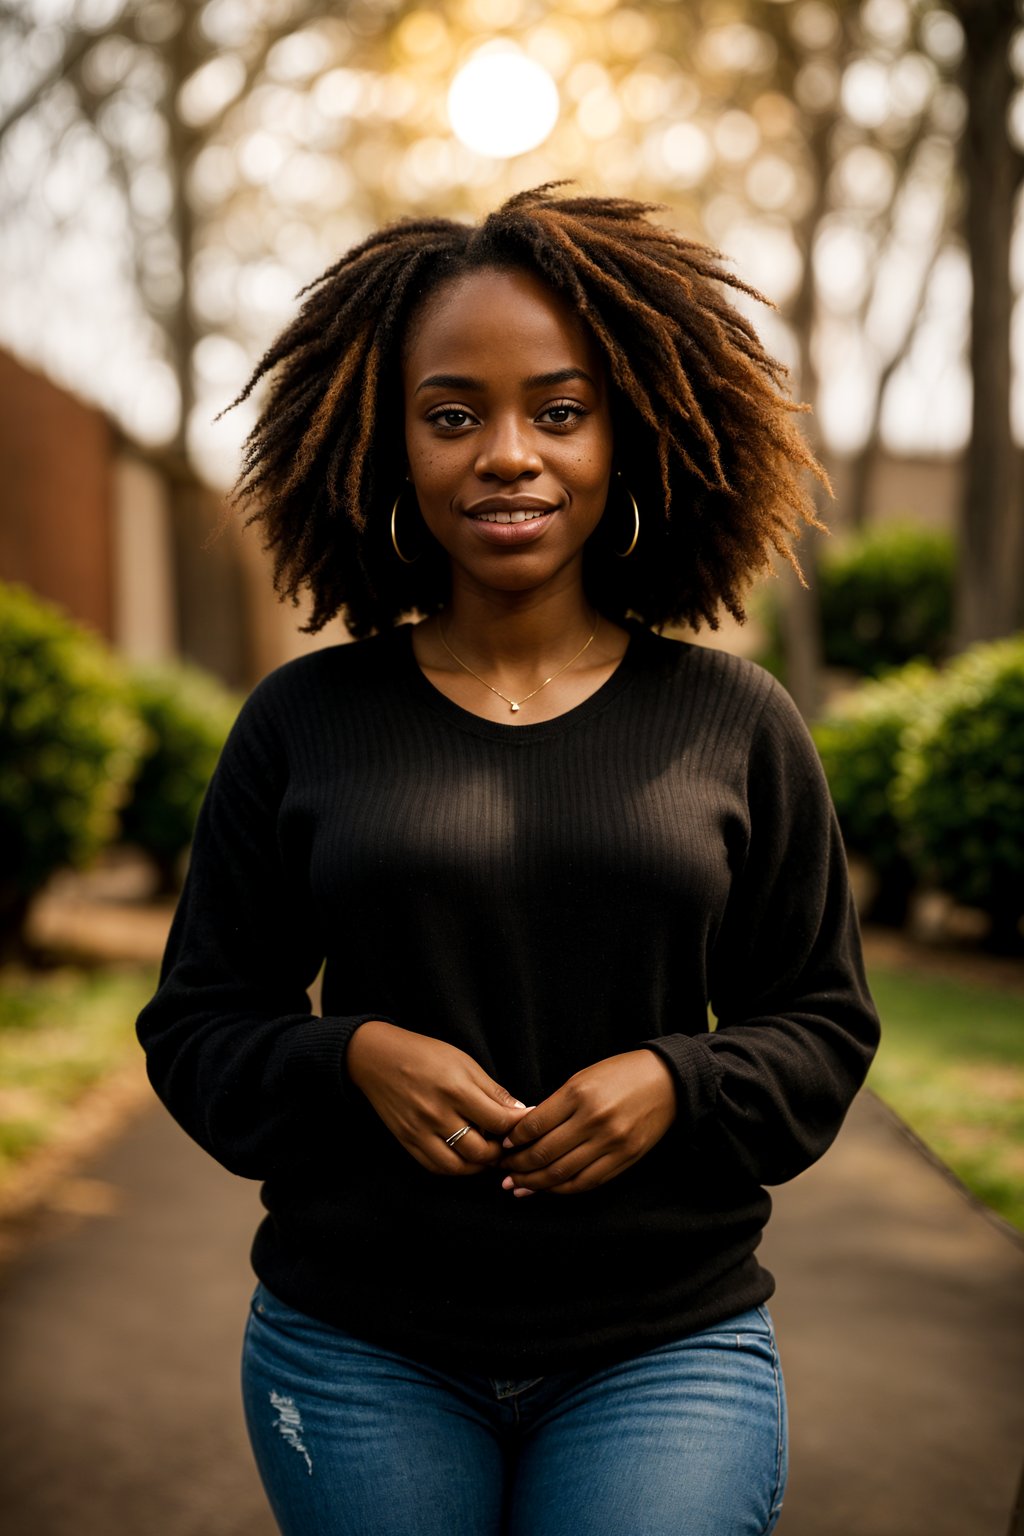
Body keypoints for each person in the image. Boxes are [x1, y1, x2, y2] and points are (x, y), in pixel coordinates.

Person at [137, 185, 880, 1536]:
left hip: (663, 1349)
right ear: (388, 444)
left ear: (629, 431)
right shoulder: (303, 723)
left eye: (559, 408)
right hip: (359, 1345)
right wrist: (350, 1055)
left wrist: (679, 1077)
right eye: (452, 413)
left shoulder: (736, 721)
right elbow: (196, 1028)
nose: (508, 455)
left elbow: (824, 1026)